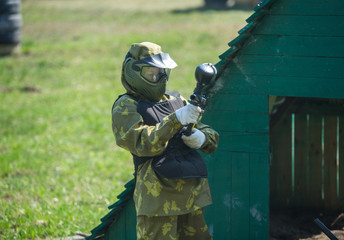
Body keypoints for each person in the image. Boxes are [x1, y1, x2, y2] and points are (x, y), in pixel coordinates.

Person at [112, 42, 219, 240]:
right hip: (158, 199)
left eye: (160, 72)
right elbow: (142, 142)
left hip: (192, 193)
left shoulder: (176, 100)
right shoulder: (126, 105)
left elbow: (209, 135)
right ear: (132, 71)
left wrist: (202, 138)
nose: (156, 78)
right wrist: (175, 120)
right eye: (150, 73)